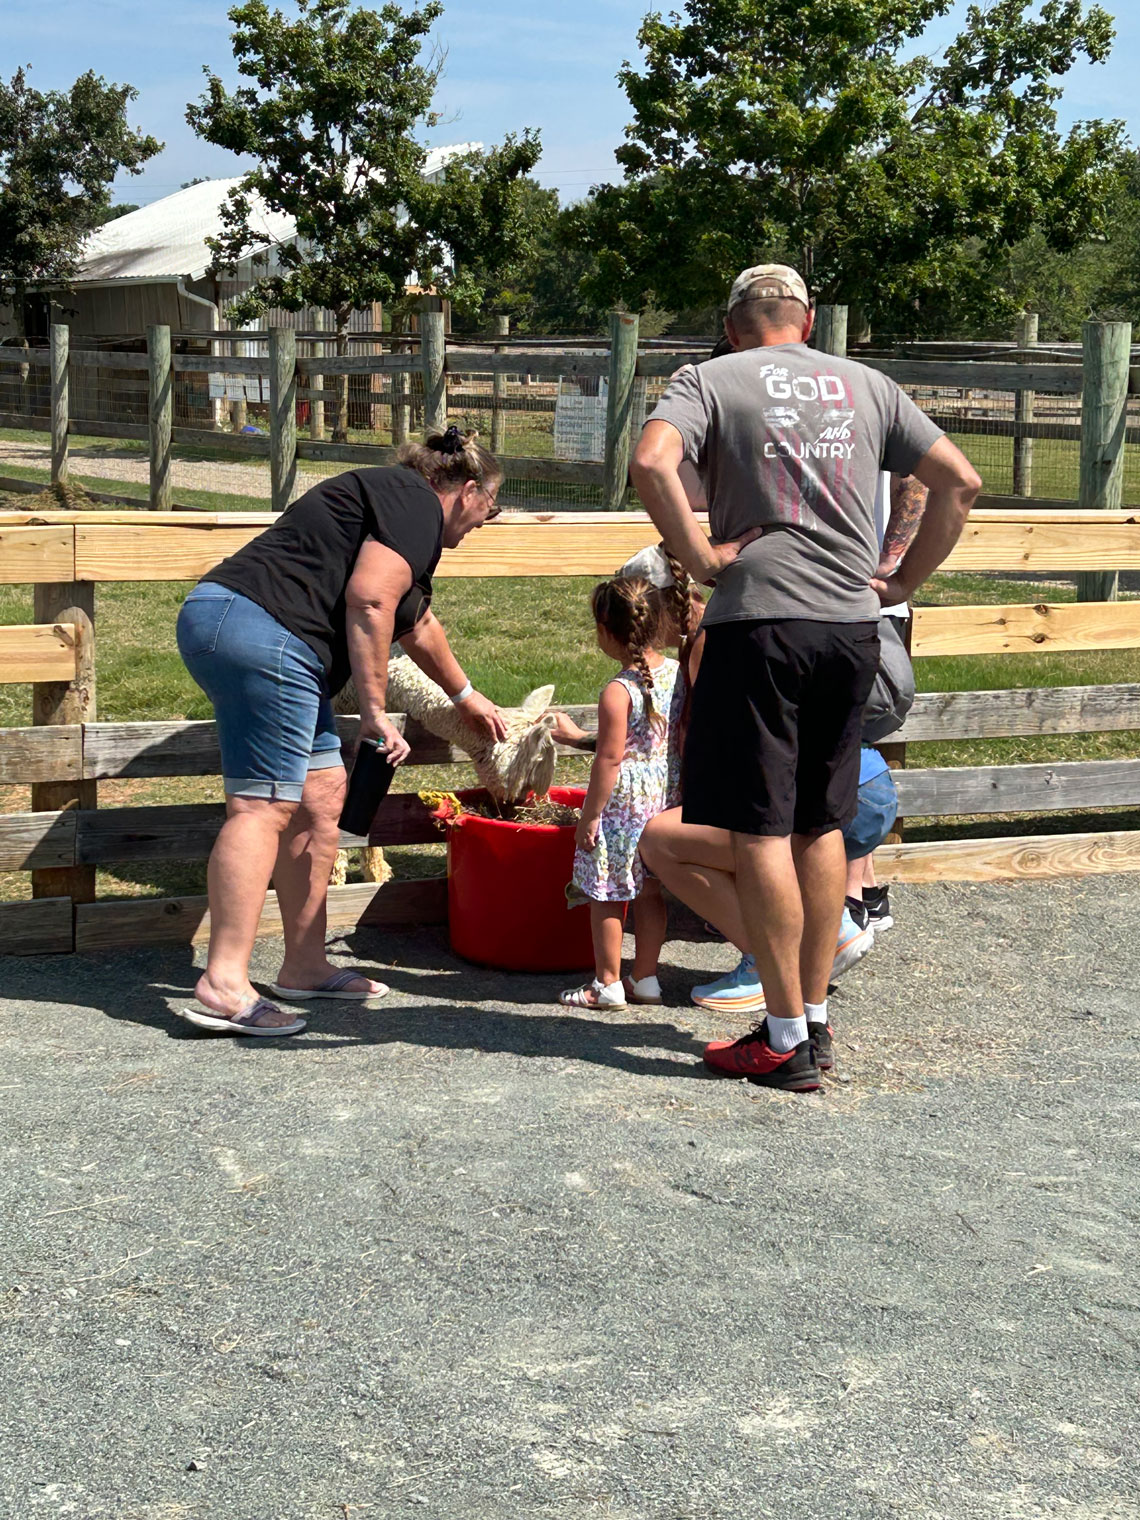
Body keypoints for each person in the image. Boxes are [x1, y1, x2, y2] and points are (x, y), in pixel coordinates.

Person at [632, 262, 981, 1092]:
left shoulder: (708, 380)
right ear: (808, 318)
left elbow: (652, 462)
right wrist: (899, 584)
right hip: (850, 628)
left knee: (758, 831)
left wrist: (696, 556)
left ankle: (783, 1039)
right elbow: (959, 483)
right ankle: (814, 1022)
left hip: (759, 625)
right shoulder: (869, 385)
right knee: (820, 828)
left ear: (732, 325)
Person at [174, 427, 508, 1037]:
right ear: (467, 491)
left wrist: (464, 695)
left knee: (321, 798)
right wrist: (377, 713)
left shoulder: (399, 516)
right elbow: (371, 601)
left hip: (262, 634)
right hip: (264, 632)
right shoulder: (412, 501)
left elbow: (415, 620)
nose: (487, 520)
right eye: (493, 505)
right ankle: (223, 982)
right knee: (263, 805)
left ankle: (303, 965)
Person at [557, 577, 681, 1011]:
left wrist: (590, 816)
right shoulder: (678, 675)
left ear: (607, 632)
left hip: (624, 803)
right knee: (649, 890)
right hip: (662, 794)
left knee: (607, 890)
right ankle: (645, 978)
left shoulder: (618, 691)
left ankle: (606, 983)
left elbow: (610, 760)